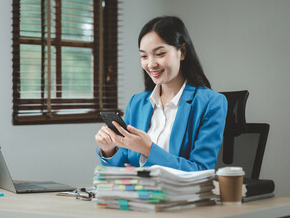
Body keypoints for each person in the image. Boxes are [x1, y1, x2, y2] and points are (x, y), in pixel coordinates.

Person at [95, 16, 227, 171]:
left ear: (182, 52)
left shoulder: (211, 102)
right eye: (144, 56)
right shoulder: (137, 103)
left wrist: (148, 149)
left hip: (179, 194)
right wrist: (109, 150)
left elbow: (201, 170)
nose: (151, 64)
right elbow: (124, 167)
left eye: (160, 54)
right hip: (139, 194)